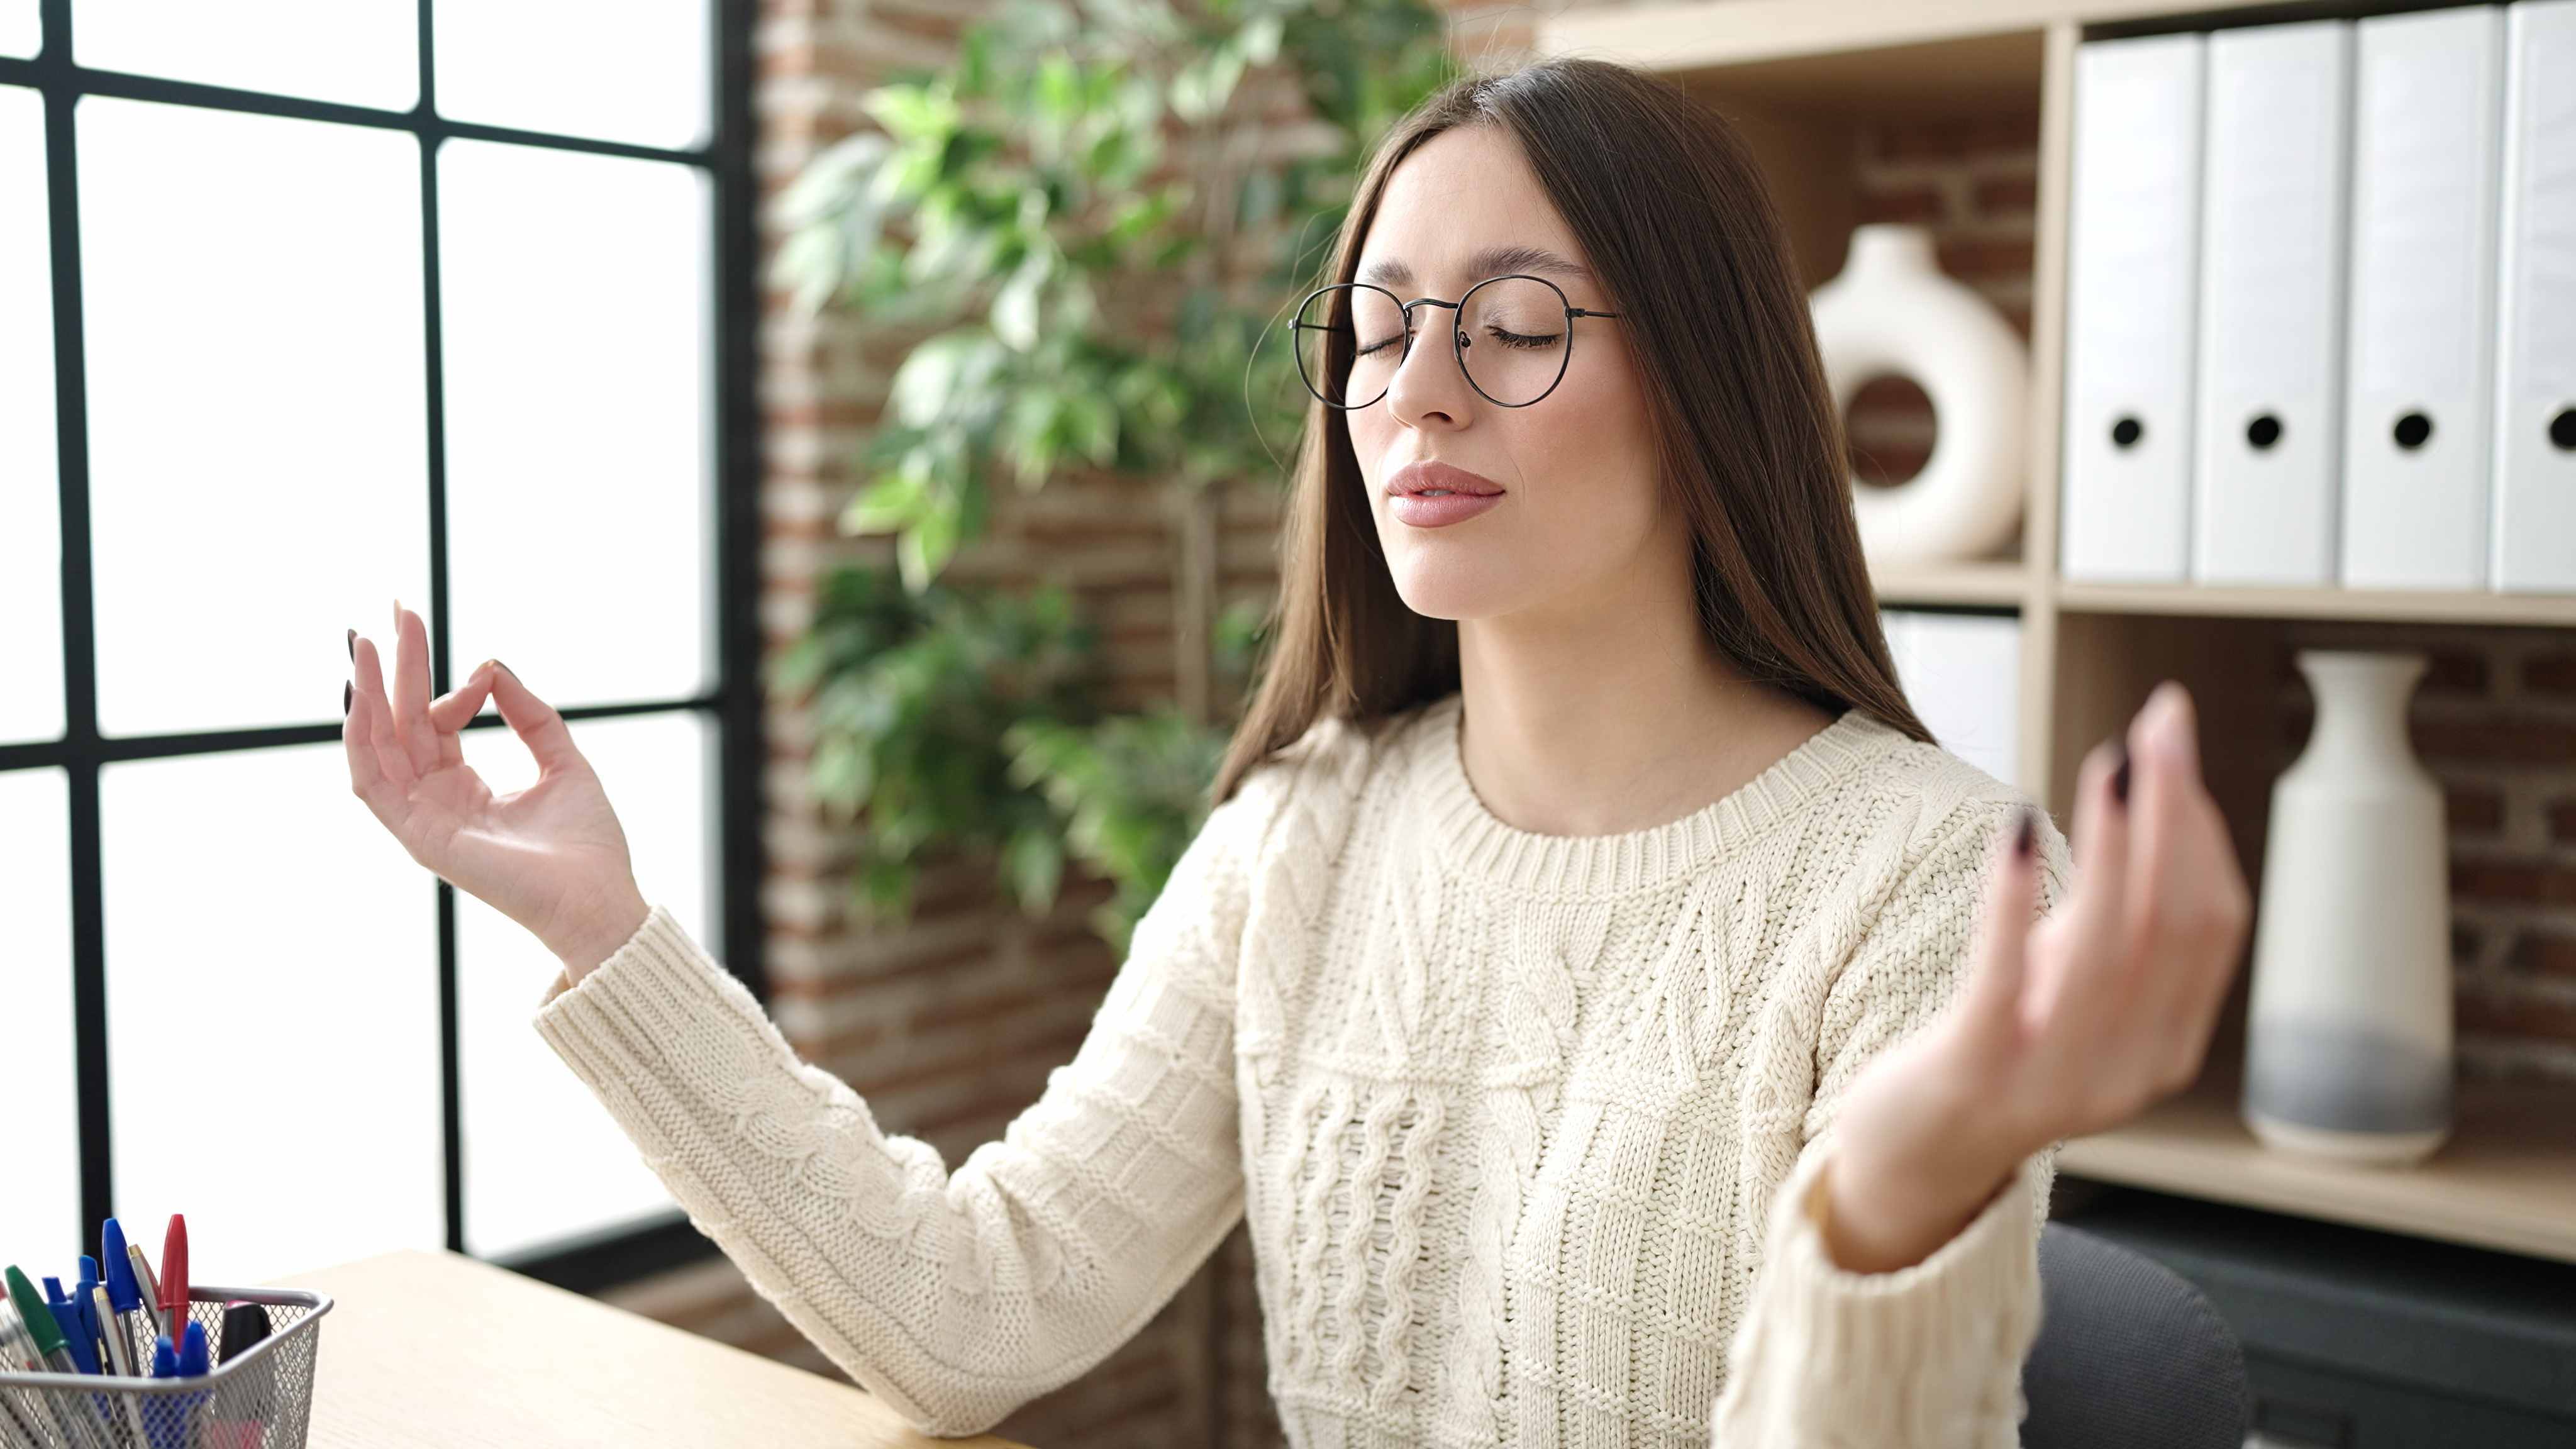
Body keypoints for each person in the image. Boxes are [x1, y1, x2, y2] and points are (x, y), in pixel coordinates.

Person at [342, 55, 2250, 1449]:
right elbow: (975, 1305)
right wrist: (605, 934)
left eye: (1512, 329)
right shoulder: (1307, 836)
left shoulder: (1922, 881)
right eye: (1378, 329)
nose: (1414, 391)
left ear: (1707, 385)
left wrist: (1908, 1184)